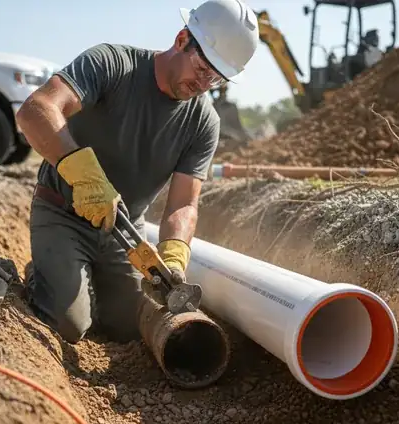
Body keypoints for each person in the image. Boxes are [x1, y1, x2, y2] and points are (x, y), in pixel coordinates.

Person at [15, 0, 259, 344]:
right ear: (181, 39)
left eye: (216, 77)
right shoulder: (113, 64)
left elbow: (184, 205)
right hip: (63, 212)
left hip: (125, 231)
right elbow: (35, 110)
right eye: (203, 68)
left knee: (126, 328)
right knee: (69, 324)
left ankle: (85, 283)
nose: (204, 83)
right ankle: (47, 277)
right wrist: (86, 178)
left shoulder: (204, 122)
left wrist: (174, 253)